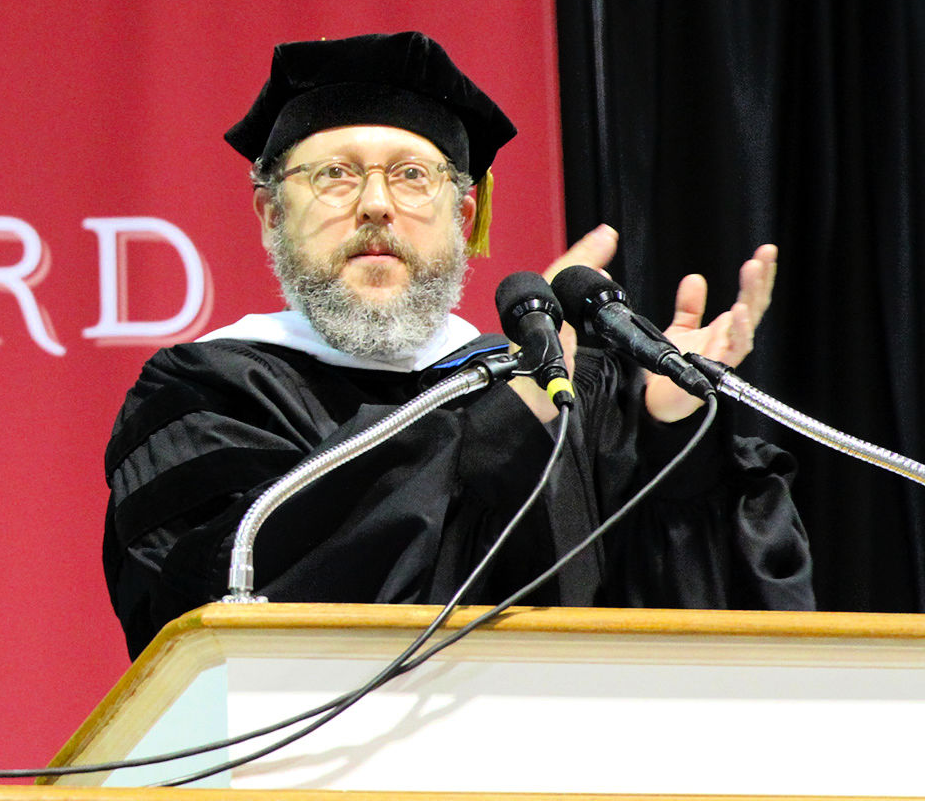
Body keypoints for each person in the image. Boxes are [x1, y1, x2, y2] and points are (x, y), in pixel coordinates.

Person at [102, 32, 813, 659]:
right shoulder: (204, 393)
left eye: (413, 176)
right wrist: (505, 420)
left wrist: (671, 439)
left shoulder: (569, 393)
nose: (376, 204)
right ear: (270, 214)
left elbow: (712, 635)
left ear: (463, 214)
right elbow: (214, 609)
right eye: (334, 175)